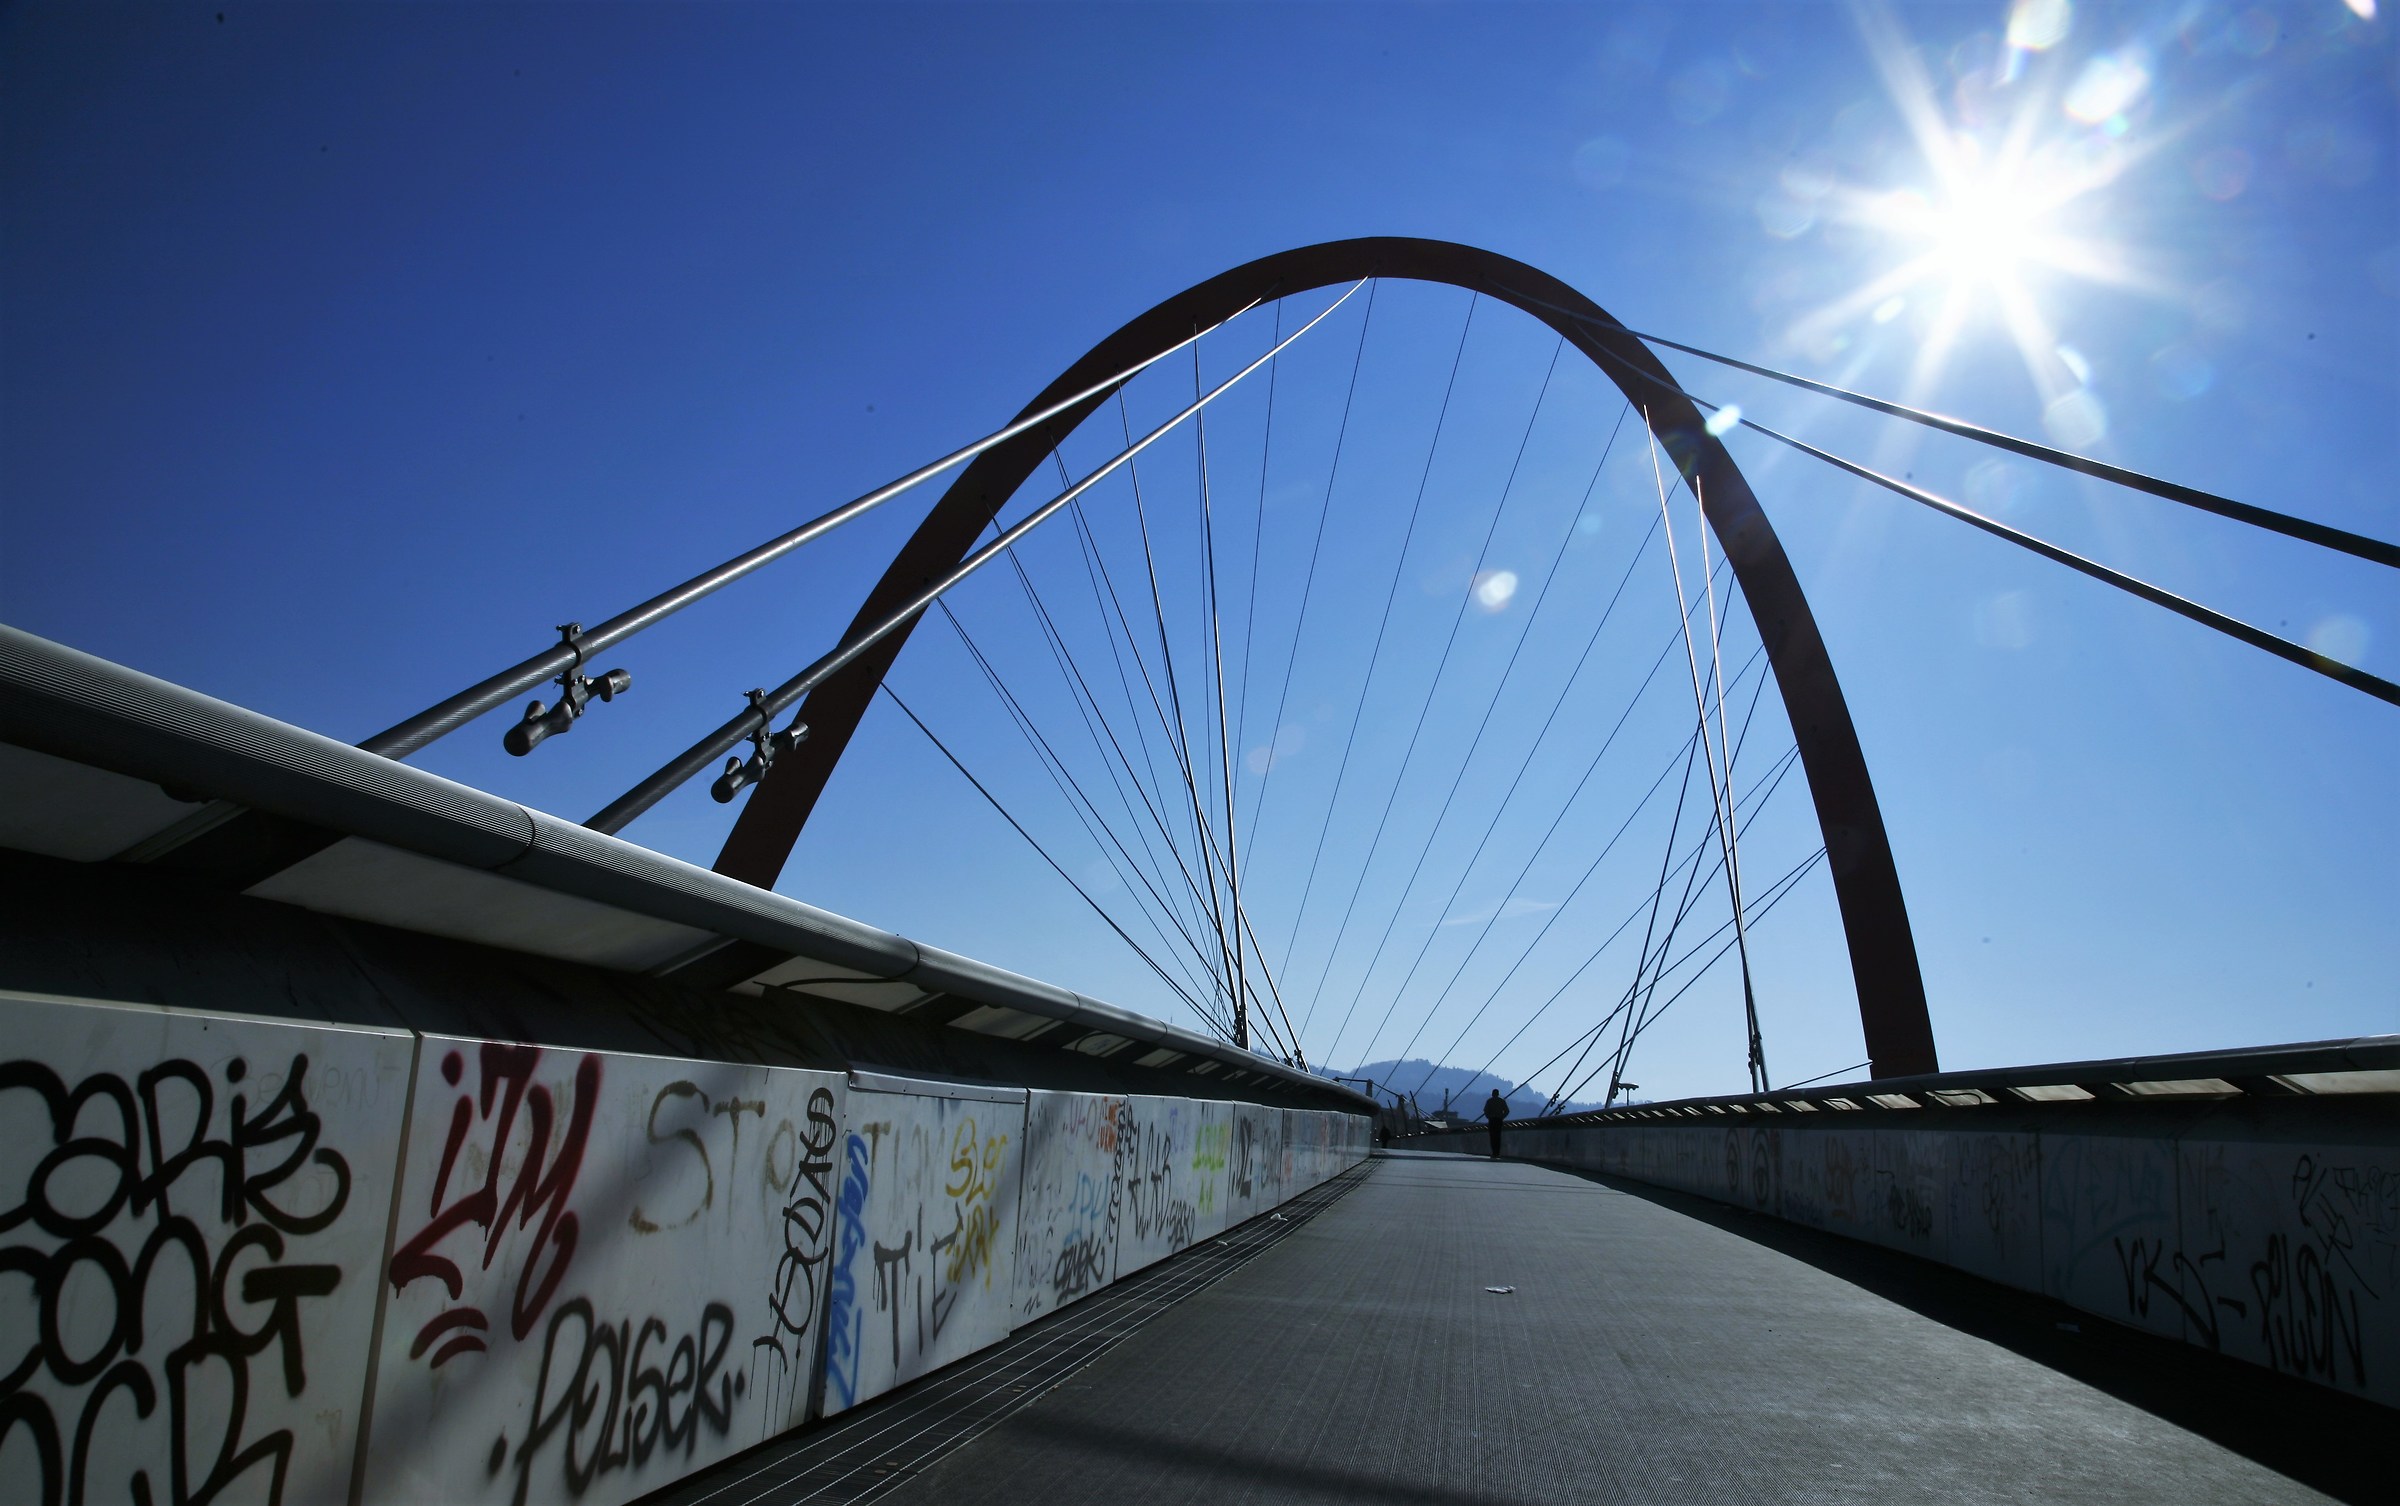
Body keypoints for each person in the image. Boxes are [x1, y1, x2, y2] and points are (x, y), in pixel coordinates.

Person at [1483, 1088, 1510, 1160]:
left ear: (1492, 1094)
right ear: (1498, 1094)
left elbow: (1485, 1110)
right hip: (1499, 1120)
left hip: (1492, 1120)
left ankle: (1493, 1153)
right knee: (1498, 1137)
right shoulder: (1502, 1101)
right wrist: (1502, 1117)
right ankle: (1497, 1153)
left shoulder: (1489, 1101)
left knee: (1492, 1137)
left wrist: (1488, 1117)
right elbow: (1507, 1111)